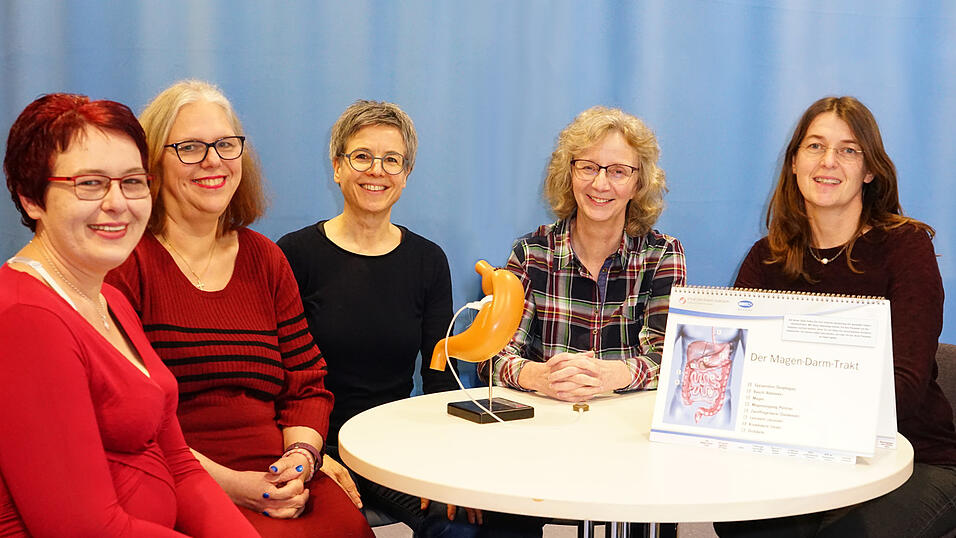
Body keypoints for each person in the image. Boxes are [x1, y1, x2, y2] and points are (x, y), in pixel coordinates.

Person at [106, 80, 372, 538]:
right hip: (181, 479)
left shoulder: (265, 259)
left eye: (226, 145)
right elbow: (132, 422)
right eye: (190, 147)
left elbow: (306, 385)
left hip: (281, 474)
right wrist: (240, 487)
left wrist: (301, 460)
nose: (213, 161)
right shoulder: (126, 265)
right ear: (153, 164)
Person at [0, 93, 257, 536]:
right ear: (31, 198)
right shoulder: (25, 319)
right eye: (90, 183)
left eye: (132, 181)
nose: (118, 203)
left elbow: (179, 463)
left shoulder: (109, 301)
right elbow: (83, 530)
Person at [714, 96, 956, 537]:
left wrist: (806, 428)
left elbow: (905, 383)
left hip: (913, 459)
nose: (829, 161)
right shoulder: (766, 258)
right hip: (798, 459)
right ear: (793, 162)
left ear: (869, 171)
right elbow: (736, 373)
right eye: (815, 146)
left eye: (848, 150)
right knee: (744, 526)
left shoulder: (906, 248)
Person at [278, 100, 495, 536]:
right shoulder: (294, 255)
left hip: (397, 444)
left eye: (391, 160)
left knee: (480, 526)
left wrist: (450, 466)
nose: (376, 171)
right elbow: (278, 378)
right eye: (362, 156)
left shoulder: (427, 261)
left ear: (406, 175)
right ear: (337, 166)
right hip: (320, 445)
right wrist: (311, 453)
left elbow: (441, 377)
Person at [478, 105, 685, 537]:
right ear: (568, 174)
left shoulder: (662, 255)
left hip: (629, 442)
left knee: (656, 508)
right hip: (539, 438)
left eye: (618, 171)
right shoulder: (530, 253)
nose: (600, 183)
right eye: (588, 167)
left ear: (638, 182)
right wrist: (539, 375)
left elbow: (671, 361)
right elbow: (491, 356)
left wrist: (613, 374)